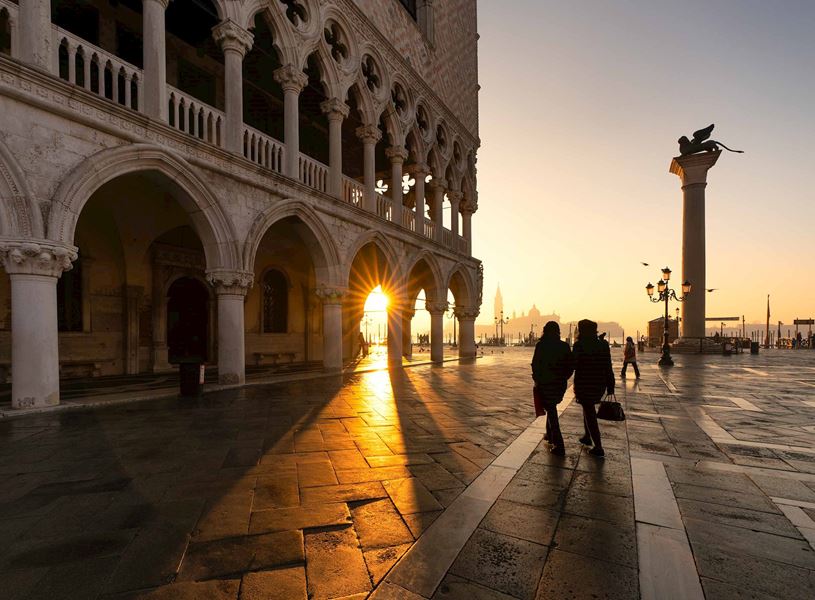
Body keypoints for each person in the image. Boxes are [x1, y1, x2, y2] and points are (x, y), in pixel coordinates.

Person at [531, 321, 574, 455]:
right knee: (551, 407)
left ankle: (559, 445)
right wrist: (564, 378)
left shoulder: (541, 345)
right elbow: (570, 366)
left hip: (545, 383)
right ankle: (549, 435)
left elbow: (535, 364)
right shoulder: (564, 346)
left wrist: (537, 379)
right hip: (559, 384)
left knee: (551, 410)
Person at [573, 319, 615, 457]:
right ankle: (587, 436)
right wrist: (611, 385)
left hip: (584, 383)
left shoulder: (579, 345)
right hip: (600, 383)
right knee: (588, 407)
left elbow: (573, 364)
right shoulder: (603, 345)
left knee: (589, 411)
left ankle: (598, 446)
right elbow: (608, 366)